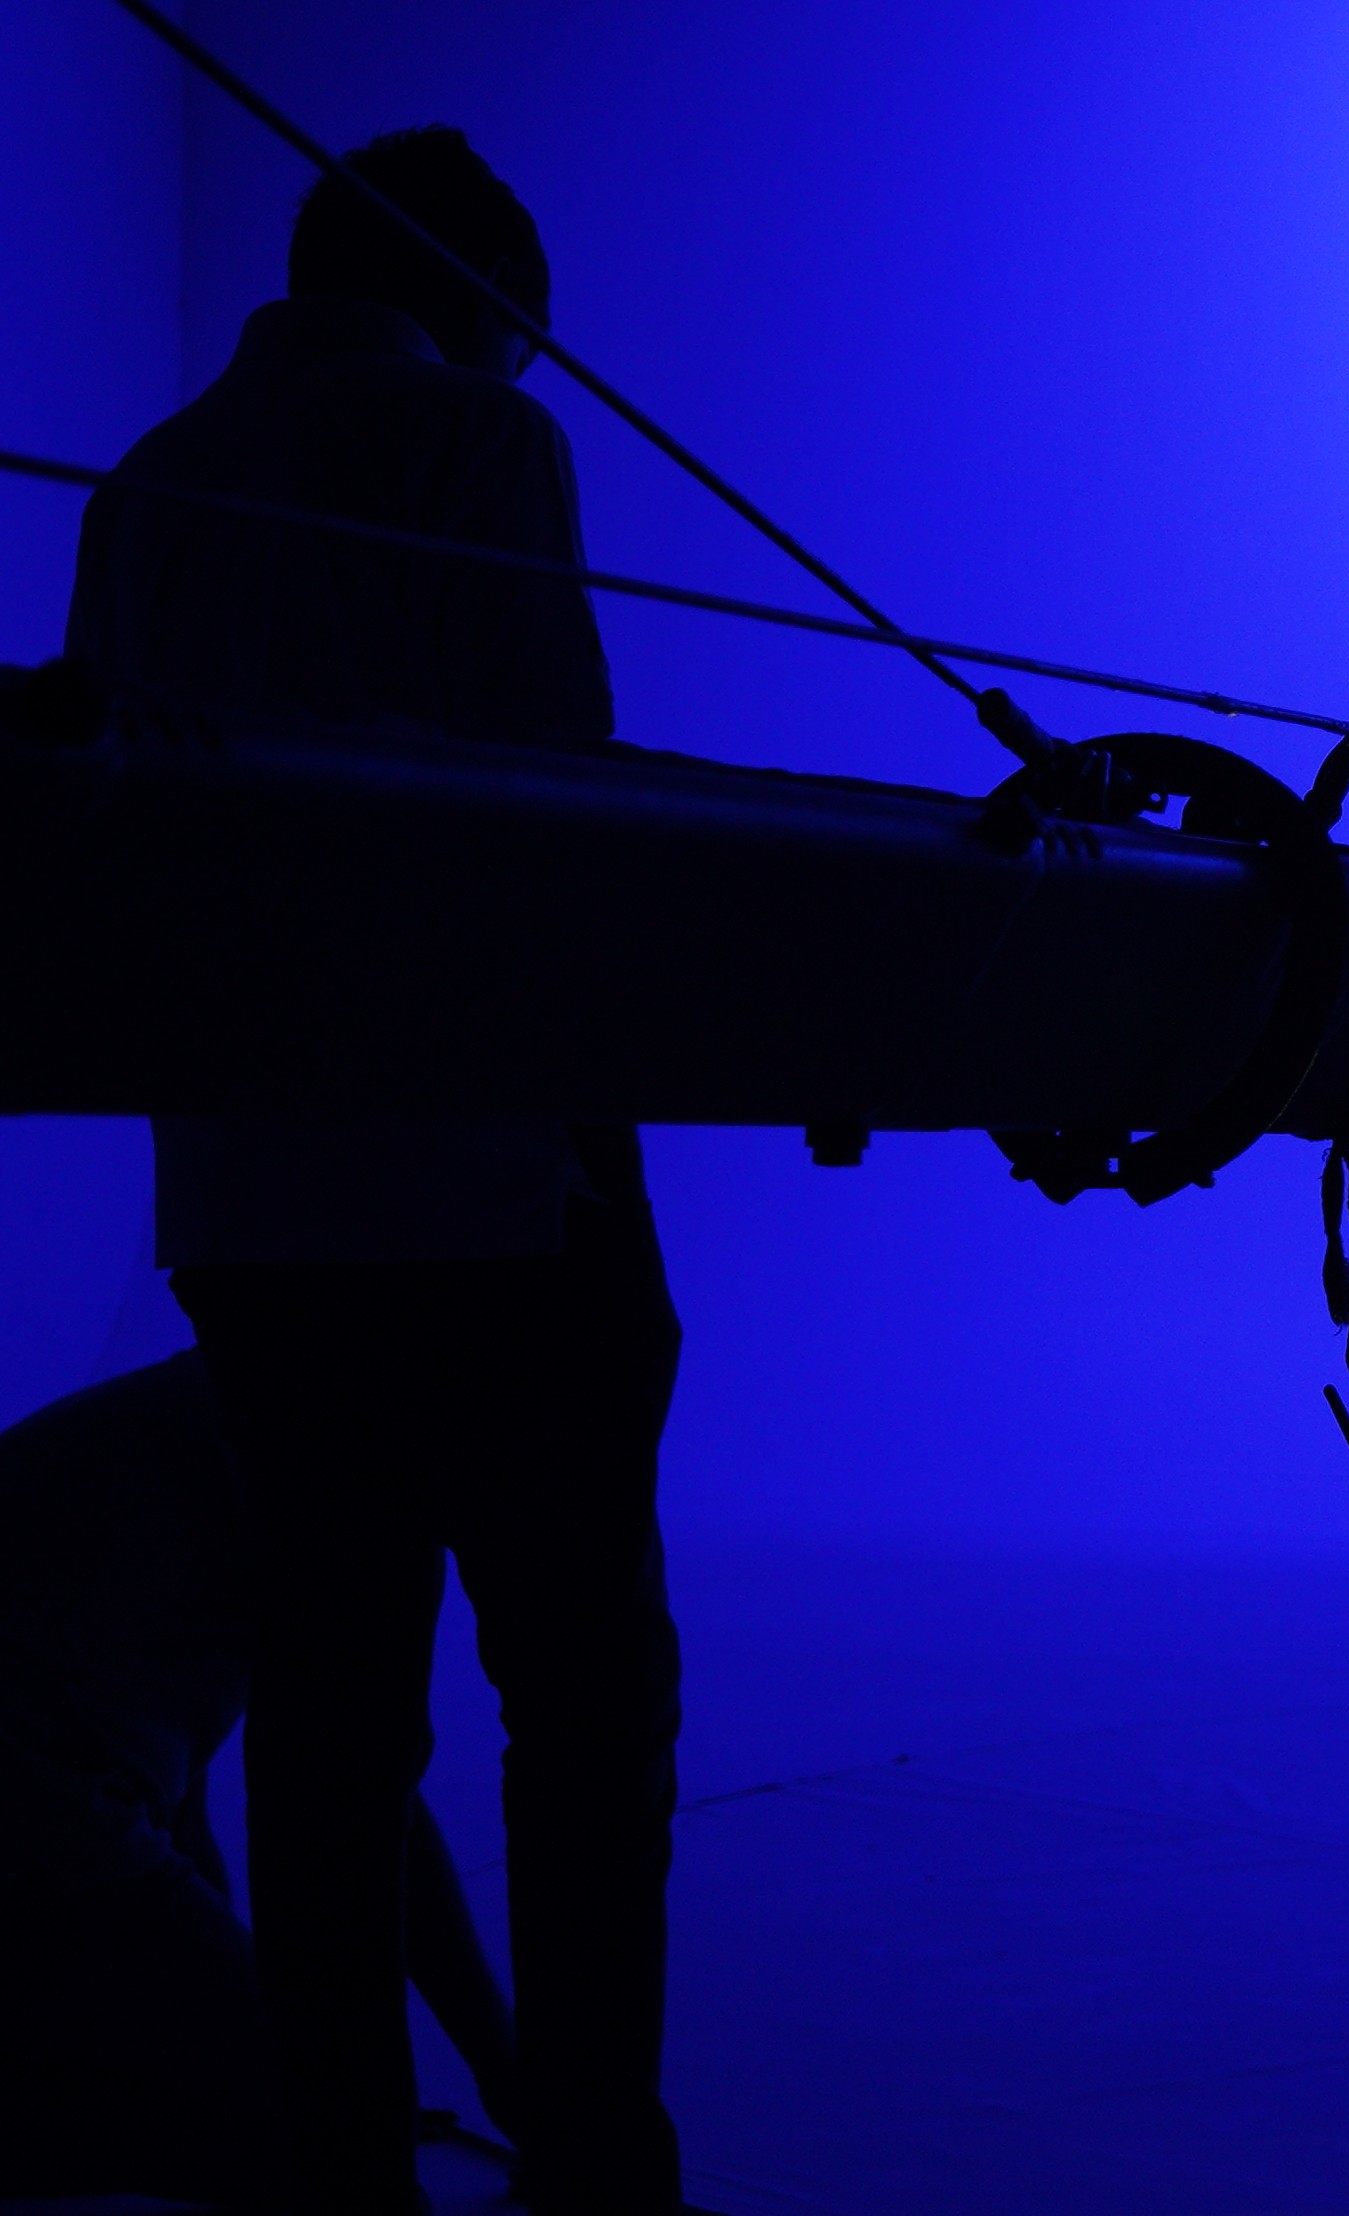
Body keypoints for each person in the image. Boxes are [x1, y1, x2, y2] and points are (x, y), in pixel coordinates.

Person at [64, 127, 691, 2216]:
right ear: (490, 303)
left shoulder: (150, 483)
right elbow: (557, 797)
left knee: (332, 1713)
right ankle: (594, 2161)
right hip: (495, 1178)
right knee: (585, 1703)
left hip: (254, 1203)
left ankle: (344, 2173)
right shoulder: (475, 444)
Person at [0, 1352, 529, 2206]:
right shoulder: (341, 1444)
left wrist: (263, 2035)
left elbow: (189, 1776)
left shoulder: (227, 1406)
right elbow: (367, 1800)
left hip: (52, 1807)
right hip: (44, 1816)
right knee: (317, 2150)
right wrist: (505, 2078)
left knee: (300, 2104)